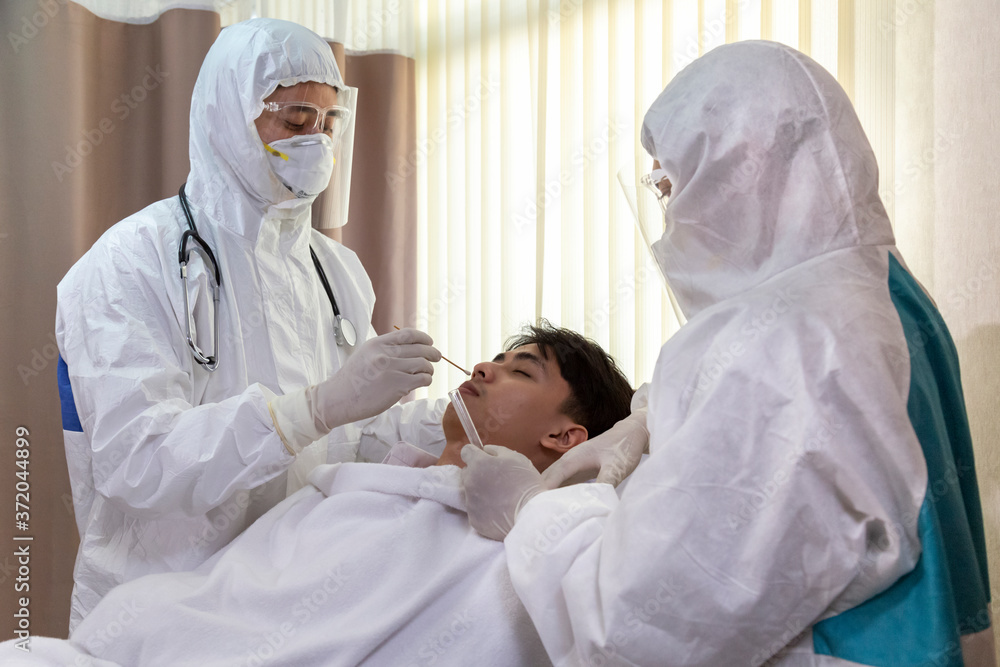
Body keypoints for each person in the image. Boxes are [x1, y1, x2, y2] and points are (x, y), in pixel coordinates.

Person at [461, 41, 995, 665]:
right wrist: (652, 417)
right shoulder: (879, 292)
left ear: (740, 169)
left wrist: (532, 513)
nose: (669, 214)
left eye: (670, 184)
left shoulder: (787, 345)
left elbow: (637, 629)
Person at [55, 18, 447, 631]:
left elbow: (357, 439)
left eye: (327, 123)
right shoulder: (133, 259)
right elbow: (139, 461)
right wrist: (309, 409)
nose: (314, 139)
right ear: (228, 115)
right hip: (161, 613)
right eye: (294, 120)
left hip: (296, 604)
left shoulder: (335, 270)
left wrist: (454, 423)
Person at [9, 323, 634, 666]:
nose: (482, 368)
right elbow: (233, 597)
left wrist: (534, 511)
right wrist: (320, 408)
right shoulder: (361, 484)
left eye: (520, 370)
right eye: (494, 357)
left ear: (564, 435)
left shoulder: (537, 542)